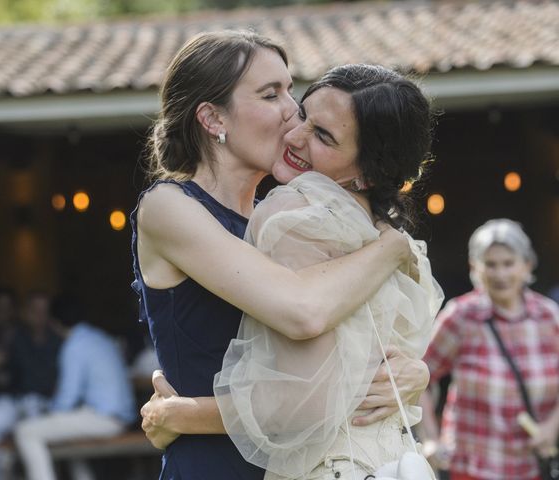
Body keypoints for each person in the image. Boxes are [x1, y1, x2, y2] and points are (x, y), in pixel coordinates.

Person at [132, 30, 430, 480]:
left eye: (291, 91)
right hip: (217, 468)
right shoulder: (170, 208)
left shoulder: (287, 218)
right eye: (271, 94)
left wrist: (413, 373)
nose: (292, 110)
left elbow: (345, 352)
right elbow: (303, 311)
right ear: (213, 118)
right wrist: (392, 245)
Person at [212, 64, 444, 480]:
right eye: (303, 115)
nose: (295, 136)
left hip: (332, 464)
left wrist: (185, 414)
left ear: (368, 172)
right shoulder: (388, 235)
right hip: (389, 459)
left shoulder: (297, 214)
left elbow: (305, 404)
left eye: (323, 136)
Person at [420, 219, 559, 480]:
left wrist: (552, 427)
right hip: (471, 468)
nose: (500, 274)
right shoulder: (461, 316)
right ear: (476, 267)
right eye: (491, 264)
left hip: (530, 469)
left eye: (508, 263)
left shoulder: (549, 317)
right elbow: (418, 376)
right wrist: (430, 439)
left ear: (526, 265)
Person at [14, 294, 135, 480]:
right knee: (68, 434)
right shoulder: (99, 337)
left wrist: (48, 413)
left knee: (26, 431)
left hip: (105, 419)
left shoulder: (73, 346)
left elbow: (66, 400)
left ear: (54, 323)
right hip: (121, 416)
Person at [0, 290, 62, 480]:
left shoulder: (58, 340)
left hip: (45, 404)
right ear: (26, 313)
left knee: (27, 434)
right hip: (15, 401)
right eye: (34, 310)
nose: (39, 316)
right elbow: (4, 381)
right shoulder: (16, 338)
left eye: (44, 311)